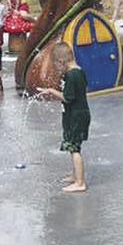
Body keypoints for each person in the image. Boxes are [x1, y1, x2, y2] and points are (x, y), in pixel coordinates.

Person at [37, 42, 89, 193]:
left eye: (56, 65)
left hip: (76, 116)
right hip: (77, 114)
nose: (57, 69)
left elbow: (67, 97)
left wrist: (52, 91)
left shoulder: (71, 75)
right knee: (74, 146)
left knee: (74, 149)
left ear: (61, 61)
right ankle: (75, 176)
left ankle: (80, 182)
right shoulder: (79, 72)